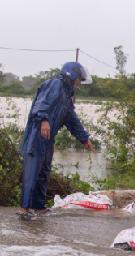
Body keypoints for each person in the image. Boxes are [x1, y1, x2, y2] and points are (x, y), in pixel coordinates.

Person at [17, 62, 96, 221]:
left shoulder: (67, 96)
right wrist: (44, 120)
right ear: (72, 75)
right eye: (79, 79)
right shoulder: (55, 84)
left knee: (43, 173)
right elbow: (41, 104)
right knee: (32, 172)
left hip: (47, 139)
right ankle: (23, 209)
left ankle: (39, 208)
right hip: (36, 136)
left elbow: (71, 119)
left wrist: (84, 138)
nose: (79, 82)